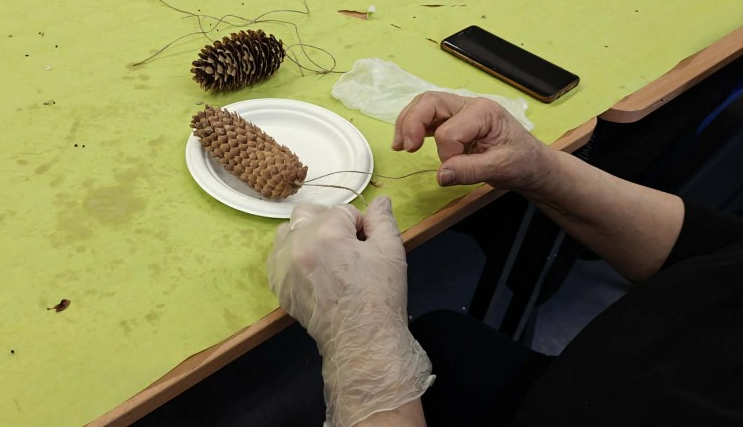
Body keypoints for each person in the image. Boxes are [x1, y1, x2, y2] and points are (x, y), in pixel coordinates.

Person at [267, 91, 743, 427]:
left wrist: (365, 350)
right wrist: (538, 167)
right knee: (445, 338)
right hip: (575, 387)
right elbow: (712, 252)